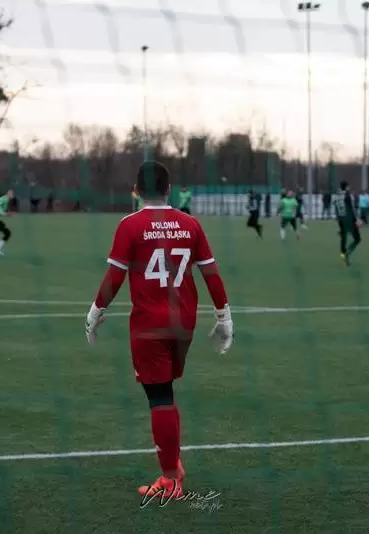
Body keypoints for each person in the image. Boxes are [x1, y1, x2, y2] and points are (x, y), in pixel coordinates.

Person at [84, 160, 233, 500]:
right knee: (166, 392)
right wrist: (224, 317)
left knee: (159, 397)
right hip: (184, 324)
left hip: (149, 326)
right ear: (169, 189)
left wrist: (95, 312)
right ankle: (173, 463)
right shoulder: (190, 224)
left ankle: (169, 478)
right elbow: (211, 273)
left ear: (136, 190)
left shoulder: (130, 225)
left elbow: (115, 277)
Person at [333, 181, 361, 265]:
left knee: (343, 238)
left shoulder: (337, 196)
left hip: (341, 220)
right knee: (357, 239)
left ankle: (343, 254)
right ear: (346, 187)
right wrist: (356, 220)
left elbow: (336, 210)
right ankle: (346, 253)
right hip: (349, 219)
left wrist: (339, 224)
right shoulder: (347, 195)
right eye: (348, 186)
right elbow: (351, 208)